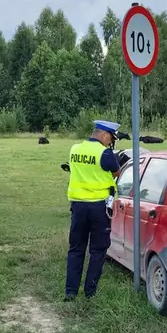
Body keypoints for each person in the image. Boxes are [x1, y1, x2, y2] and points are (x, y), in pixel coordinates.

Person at [64, 120, 121, 301]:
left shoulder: (75, 149)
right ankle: (90, 292)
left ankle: (71, 292)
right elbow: (116, 172)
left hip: (78, 206)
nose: (110, 142)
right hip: (99, 208)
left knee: (76, 249)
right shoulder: (105, 153)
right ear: (104, 134)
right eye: (111, 138)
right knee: (98, 250)